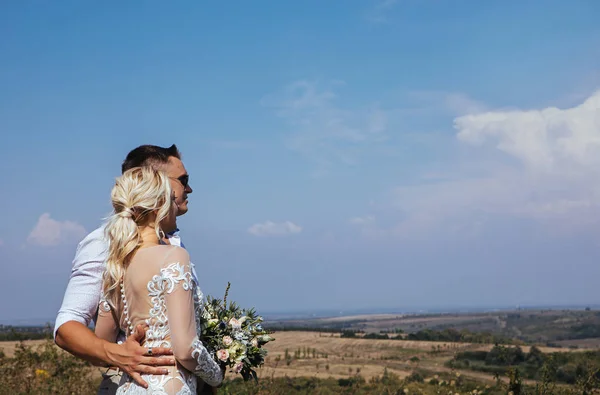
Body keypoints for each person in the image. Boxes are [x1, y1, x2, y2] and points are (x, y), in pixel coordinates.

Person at [53, 144, 202, 394]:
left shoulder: (170, 243)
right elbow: (66, 327)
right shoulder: (104, 241)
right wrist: (118, 354)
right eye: (183, 180)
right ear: (156, 183)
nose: (189, 188)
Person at [94, 166, 223, 393]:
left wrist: (128, 346)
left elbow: (102, 342)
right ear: (158, 207)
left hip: (129, 387)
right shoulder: (174, 256)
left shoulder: (115, 264)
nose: (175, 206)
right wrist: (216, 374)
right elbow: (185, 349)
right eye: (171, 200)